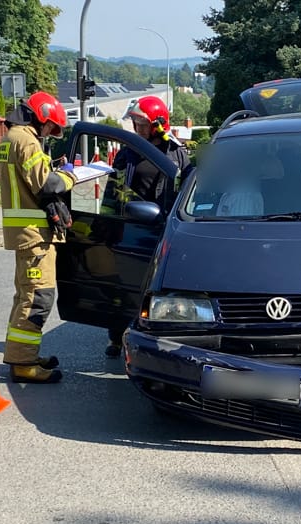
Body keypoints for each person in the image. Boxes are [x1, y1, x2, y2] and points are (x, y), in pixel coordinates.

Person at [101, 95, 192, 358]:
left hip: (163, 227)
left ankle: (157, 336)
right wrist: (113, 219)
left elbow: (186, 187)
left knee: (158, 285)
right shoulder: (128, 152)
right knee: (122, 283)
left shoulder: (176, 152)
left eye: (140, 123)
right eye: (134, 122)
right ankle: (117, 337)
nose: (135, 128)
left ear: (157, 125)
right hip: (131, 225)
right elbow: (114, 188)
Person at [0, 91, 77, 383]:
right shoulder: (26, 140)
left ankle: (22, 355)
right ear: (41, 116)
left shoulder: (11, 139)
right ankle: (24, 365)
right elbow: (47, 184)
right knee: (38, 298)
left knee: (24, 296)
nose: (49, 133)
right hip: (35, 235)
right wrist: (71, 174)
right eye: (49, 127)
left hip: (24, 233)